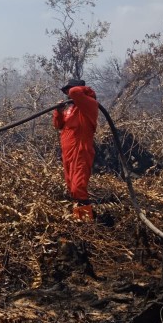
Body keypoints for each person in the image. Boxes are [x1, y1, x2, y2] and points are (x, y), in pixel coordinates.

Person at [53, 79, 99, 222]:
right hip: (67, 154)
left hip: (81, 151)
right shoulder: (71, 109)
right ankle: (77, 219)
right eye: (66, 91)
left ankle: (85, 224)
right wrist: (58, 111)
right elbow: (58, 125)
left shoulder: (89, 105)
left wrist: (84, 90)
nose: (68, 94)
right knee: (71, 188)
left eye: (69, 90)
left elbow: (75, 92)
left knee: (78, 187)